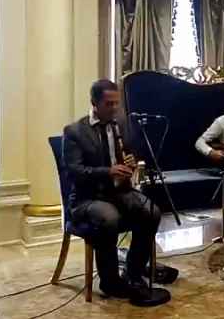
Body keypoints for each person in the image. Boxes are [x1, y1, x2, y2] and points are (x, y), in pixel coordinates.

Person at [63, 79, 163, 303]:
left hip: (118, 192)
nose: (114, 108)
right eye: (109, 104)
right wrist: (108, 171)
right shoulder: (75, 132)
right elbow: (74, 171)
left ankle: (133, 272)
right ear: (94, 103)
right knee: (109, 217)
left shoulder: (121, 124)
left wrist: (131, 161)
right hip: (87, 198)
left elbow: (129, 152)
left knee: (152, 212)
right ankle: (109, 281)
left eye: (117, 103)